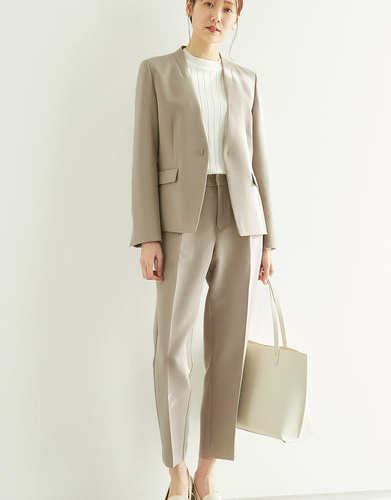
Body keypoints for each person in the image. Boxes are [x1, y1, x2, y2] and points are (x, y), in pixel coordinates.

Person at [129, 1, 277, 499]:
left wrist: (269, 239)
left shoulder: (246, 79)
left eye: (229, 8)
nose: (218, 15)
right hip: (179, 221)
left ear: (238, 18)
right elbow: (143, 154)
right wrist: (148, 233)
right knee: (172, 347)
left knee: (228, 350)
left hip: (241, 219)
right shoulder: (156, 72)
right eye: (209, 3)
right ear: (190, 8)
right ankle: (177, 470)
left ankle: (206, 473)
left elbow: (259, 161)